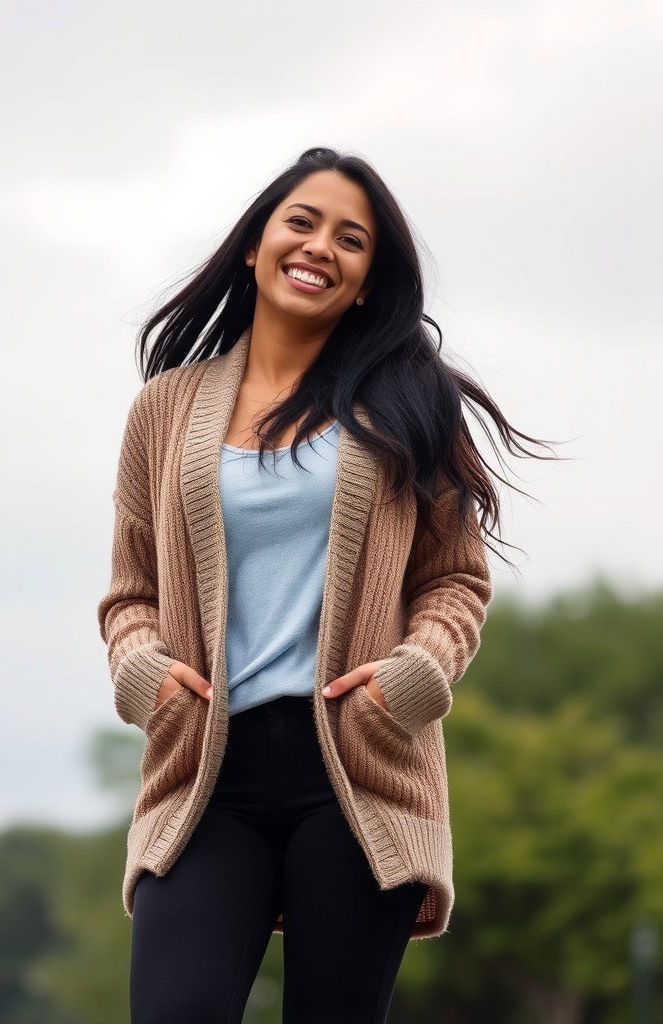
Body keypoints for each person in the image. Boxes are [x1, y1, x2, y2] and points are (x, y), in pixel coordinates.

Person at [97, 146, 556, 1023]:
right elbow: (130, 592)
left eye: (352, 240)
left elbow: (454, 580)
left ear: (366, 281)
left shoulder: (408, 400)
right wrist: (141, 673)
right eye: (302, 222)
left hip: (358, 763)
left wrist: (414, 676)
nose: (320, 247)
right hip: (203, 769)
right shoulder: (164, 409)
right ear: (255, 244)